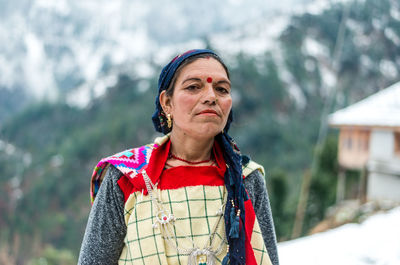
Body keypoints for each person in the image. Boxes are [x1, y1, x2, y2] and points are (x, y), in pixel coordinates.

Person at [78, 49, 279, 265]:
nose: (211, 97)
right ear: (167, 103)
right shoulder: (127, 177)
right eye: (193, 87)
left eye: (222, 89)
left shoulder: (246, 179)